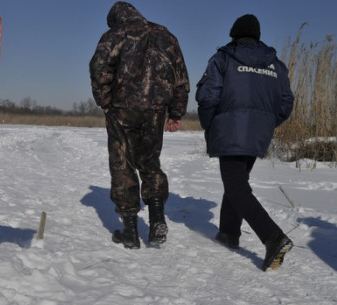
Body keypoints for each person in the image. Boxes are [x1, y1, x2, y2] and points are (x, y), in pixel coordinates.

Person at [196, 14, 295, 271]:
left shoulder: (223, 59)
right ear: (257, 35)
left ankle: (273, 237)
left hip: (229, 130)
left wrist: (209, 124)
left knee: (236, 186)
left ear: (234, 34)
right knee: (238, 182)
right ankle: (229, 233)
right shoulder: (276, 65)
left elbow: (208, 97)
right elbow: (286, 104)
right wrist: (265, 124)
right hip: (258, 134)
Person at [89, 1, 190, 249]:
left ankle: (130, 232)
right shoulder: (166, 36)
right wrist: (175, 113)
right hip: (156, 110)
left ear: (116, 19)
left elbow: (99, 68)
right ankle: (156, 221)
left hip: (122, 108)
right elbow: (181, 78)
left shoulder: (115, 35)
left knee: (122, 164)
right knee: (149, 162)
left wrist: (105, 102)